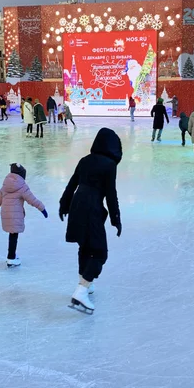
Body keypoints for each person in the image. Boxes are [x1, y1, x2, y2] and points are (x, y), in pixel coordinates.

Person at [59, 128, 122, 314]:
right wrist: (116, 218)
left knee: (84, 246)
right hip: (92, 207)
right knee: (100, 253)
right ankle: (82, 290)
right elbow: (111, 194)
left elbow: (72, 184)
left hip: (77, 205)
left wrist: (64, 205)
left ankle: (84, 282)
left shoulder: (85, 160)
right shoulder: (110, 165)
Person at [0, 163, 48, 267]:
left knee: (12, 235)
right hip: (16, 215)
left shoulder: (5, 186)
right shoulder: (22, 187)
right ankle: (11, 258)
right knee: (13, 236)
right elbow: (32, 200)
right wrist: (42, 208)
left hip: (6, 214)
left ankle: (11, 256)